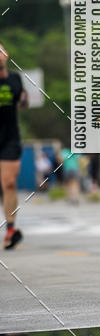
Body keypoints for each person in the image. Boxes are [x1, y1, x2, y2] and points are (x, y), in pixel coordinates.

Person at [0, 43, 28, 249]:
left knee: (9, 183)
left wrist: (25, 99)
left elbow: (22, 100)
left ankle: (10, 229)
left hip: (10, 138)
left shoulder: (15, 79)